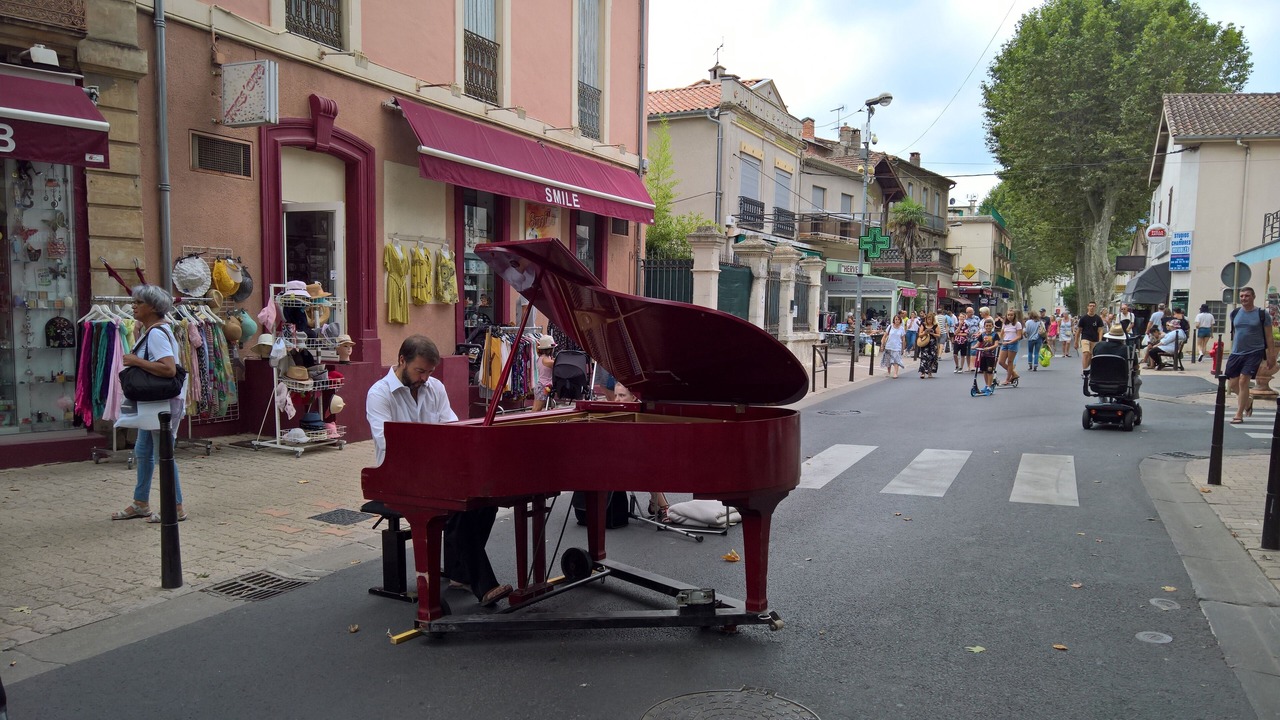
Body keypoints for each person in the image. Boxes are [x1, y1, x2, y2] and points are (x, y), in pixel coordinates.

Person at [366, 335, 512, 607]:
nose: (425, 378)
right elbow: (388, 445)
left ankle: (460, 571)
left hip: (434, 472)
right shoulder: (379, 394)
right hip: (397, 475)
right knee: (457, 507)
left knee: (485, 501)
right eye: (419, 371)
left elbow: (451, 429)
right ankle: (483, 584)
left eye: (429, 372)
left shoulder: (435, 388)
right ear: (402, 361)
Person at [111, 284, 189, 523]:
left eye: (139, 303)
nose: (133, 306)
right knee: (143, 451)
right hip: (155, 403)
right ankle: (141, 502)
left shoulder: (156, 333)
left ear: (153, 308)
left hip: (161, 404)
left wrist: (135, 360)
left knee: (162, 454)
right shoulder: (153, 330)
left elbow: (168, 368)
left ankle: (175, 507)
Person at [1225, 287, 1276, 424]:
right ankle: (1247, 401)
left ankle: (1238, 414)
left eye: (1247, 296)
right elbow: (1235, 333)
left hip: (1254, 352)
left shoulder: (1262, 314)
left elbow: (1269, 337)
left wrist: (1271, 356)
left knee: (1243, 381)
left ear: (1253, 297)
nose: (1244, 298)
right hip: (1236, 352)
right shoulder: (1235, 313)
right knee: (1232, 384)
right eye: (1241, 296)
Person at [1075, 301, 1105, 372]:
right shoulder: (1083, 318)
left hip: (1094, 339)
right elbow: (1079, 330)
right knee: (1086, 353)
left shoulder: (1098, 318)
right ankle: (1084, 370)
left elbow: (1100, 330)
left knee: (1091, 356)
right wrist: (1076, 341)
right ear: (1088, 307)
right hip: (1085, 338)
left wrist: (1100, 340)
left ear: (1095, 307)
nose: (1092, 307)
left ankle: (1087, 368)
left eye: (1093, 306)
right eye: (1090, 306)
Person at [973, 318, 1000, 392]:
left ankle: (989, 386)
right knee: (984, 371)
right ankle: (986, 385)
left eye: (990, 326)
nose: (988, 327)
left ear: (992, 326)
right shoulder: (982, 334)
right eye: (987, 326)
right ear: (984, 326)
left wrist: (989, 348)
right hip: (983, 355)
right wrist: (973, 347)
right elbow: (978, 343)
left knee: (989, 371)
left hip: (991, 356)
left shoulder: (995, 334)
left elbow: (996, 344)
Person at [997, 309, 1023, 385]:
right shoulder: (1005, 323)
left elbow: (1019, 336)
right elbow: (1001, 333)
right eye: (1008, 315)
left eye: (1011, 315)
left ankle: (1007, 379)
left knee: (1010, 361)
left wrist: (1011, 341)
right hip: (1005, 342)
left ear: (1014, 316)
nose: (1010, 316)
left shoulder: (1017, 324)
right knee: (1001, 362)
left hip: (1013, 343)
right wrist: (998, 340)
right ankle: (1014, 373)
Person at [531, 335, 556, 411]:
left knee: (537, 409)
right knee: (537, 409)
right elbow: (555, 364)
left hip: (543, 386)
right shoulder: (546, 360)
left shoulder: (545, 358)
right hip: (543, 387)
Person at [880, 314, 906, 379]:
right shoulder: (890, 326)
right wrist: (882, 345)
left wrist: (903, 348)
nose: (897, 321)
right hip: (889, 345)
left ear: (900, 320)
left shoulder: (902, 329)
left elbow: (903, 339)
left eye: (898, 319)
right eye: (896, 319)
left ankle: (895, 373)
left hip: (897, 346)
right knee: (888, 360)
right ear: (894, 320)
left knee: (896, 360)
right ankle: (888, 372)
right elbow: (885, 336)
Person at [917, 313, 941, 378]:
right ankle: (923, 372)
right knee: (924, 357)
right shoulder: (923, 325)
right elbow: (920, 334)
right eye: (928, 319)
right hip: (925, 343)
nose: (929, 321)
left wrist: (933, 334)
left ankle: (930, 372)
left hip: (932, 344)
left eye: (930, 319)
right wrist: (925, 332)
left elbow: (939, 335)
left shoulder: (935, 326)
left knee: (932, 357)